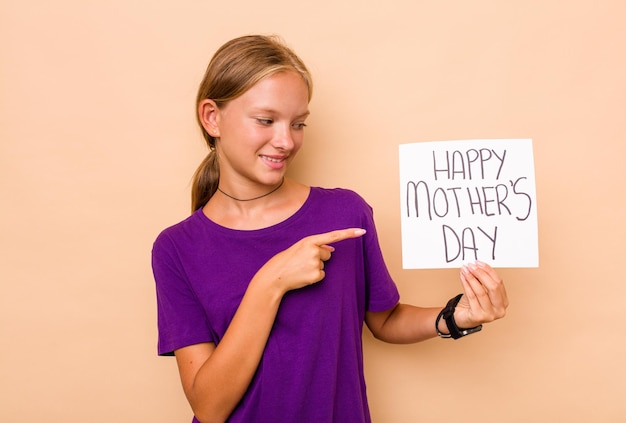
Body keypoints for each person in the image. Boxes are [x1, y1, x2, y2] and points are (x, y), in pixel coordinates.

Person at [151, 34, 508, 423]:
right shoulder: (176, 248)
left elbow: (386, 320)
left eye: (298, 123)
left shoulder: (344, 213)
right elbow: (209, 406)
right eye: (266, 120)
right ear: (212, 117)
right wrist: (270, 283)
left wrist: (459, 316)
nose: (286, 141)